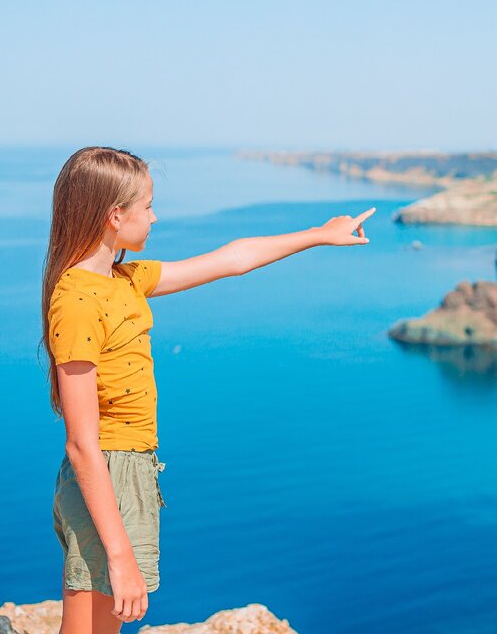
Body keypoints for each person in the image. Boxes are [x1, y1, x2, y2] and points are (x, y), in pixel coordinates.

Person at [42, 146, 373, 634]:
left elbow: (230, 259)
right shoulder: (77, 301)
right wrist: (120, 555)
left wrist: (319, 235)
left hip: (125, 470)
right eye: (148, 205)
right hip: (107, 474)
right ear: (115, 215)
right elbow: (80, 443)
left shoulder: (123, 280)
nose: (155, 217)